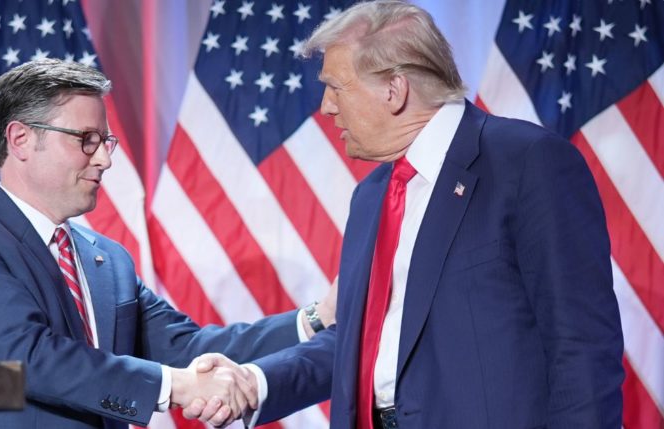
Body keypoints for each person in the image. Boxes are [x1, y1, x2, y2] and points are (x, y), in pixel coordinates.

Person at [189, 1, 625, 428]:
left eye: (336, 87)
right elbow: (363, 341)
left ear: (394, 90)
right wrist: (256, 382)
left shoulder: (525, 163)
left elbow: (581, 343)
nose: (325, 107)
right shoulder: (372, 196)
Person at [0, 58, 335, 429]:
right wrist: (175, 386)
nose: (104, 159)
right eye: (86, 139)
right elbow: (30, 356)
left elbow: (187, 349)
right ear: (20, 139)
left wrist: (314, 318)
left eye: (104, 141)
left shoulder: (106, 260)